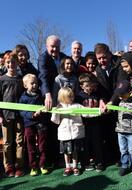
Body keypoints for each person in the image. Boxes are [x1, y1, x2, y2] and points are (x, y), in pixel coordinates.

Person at [38, 35, 66, 168]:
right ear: (47, 46)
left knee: (62, 127)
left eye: (57, 46)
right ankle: (50, 160)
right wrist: (47, 94)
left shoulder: (64, 56)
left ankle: (63, 158)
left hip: (63, 98)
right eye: (52, 46)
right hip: (49, 98)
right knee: (49, 129)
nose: (54, 49)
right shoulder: (43, 57)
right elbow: (42, 76)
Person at [94, 43, 120, 165]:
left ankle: (121, 157)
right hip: (106, 105)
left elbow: (120, 86)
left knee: (119, 131)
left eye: (104, 57)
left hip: (118, 102)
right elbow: (99, 89)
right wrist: (101, 100)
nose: (102, 61)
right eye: (99, 58)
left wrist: (112, 101)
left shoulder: (118, 65)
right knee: (107, 132)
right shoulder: (98, 70)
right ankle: (111, 157)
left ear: (109, 55)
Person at [0, 52, 25, 177]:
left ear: (17, 63)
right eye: (8, 62)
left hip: (19, 116)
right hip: (5, 116)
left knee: (19, 141)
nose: (11, 64)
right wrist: (0, 116)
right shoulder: (1, 79)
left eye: (13, 62)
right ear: (5, 63)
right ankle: (8, 166)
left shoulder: (21, 79)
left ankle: (19, 166)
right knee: (7, 142)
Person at [51, 87, 85, 176]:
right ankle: (67, 167)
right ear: (62, 97)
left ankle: (75, 166)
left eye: (72, 96)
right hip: (64, 134)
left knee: (75, 151)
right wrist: (55, 112)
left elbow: (87, 113)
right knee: (66, 152)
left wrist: (98, 111)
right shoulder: (59, 107)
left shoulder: (77, 105)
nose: (72, 98)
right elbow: (55, 121)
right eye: (69, 97)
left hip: (76, 133)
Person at [19, 74, 48, 176]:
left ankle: (42, 165)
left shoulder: (41, 94)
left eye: (36, 83)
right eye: (32, 83)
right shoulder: (23, 97)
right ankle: (33, 167)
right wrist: (32, 114)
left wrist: (42, 111)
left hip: (41, 123)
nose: (35, 85)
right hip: (29, 123)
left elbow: (46, 106)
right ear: (25, 85)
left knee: (42, 145)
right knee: (30, 145)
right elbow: (21, 111)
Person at [113, 80, 132, 178]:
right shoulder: (121, 102)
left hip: (131, 132)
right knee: (123, 150)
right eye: (119, 95)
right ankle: (125, 165)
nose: (120, 96)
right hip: (120, 131)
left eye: (122, 94)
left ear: (129, 92)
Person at [76, 73, 104, 172]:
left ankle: (99, 162)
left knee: (97, 143)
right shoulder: (78, 97)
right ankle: (85, 162)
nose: (89, 88)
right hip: (84, 124)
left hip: (96, 123)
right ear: (81, 86)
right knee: (85, 144)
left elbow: (102, 102)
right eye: (87, 86)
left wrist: (102, 101)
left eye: (91, 85)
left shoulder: (96, 95)